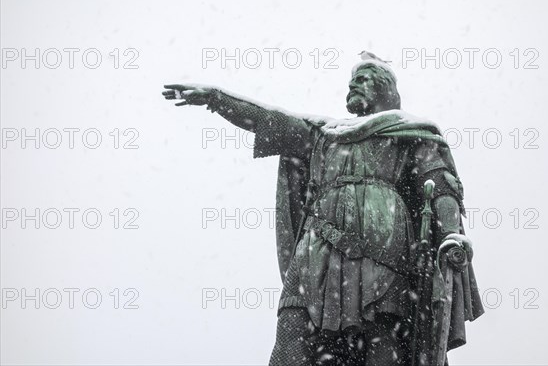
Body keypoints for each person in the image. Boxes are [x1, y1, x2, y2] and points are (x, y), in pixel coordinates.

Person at [162, 59, 484, 365]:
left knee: (382, 344)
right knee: (291, 340)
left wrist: (449, 234)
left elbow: (441, 185)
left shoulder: (410, 133)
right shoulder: (322, 134)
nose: (352, 86)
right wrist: (216, 100)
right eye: (350, 81)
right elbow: (266, 118)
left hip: (384, 252)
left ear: (385, 87)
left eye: (362, 79)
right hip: (315, 253)